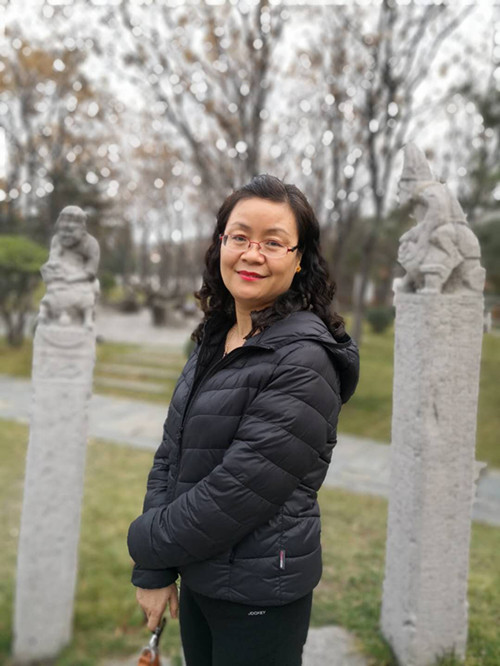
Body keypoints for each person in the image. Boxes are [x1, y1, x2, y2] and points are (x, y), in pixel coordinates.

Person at [127, 174, 359, 666]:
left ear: (299, 259)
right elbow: (172, 453)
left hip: (261, 595)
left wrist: (147, 545)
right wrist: (157, 569)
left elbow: (237, 491)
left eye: (273, 242)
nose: (252, 254)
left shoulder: (305, 360)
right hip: (202, 578)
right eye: (240, 237)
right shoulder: (217, 337)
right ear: (221, 244)